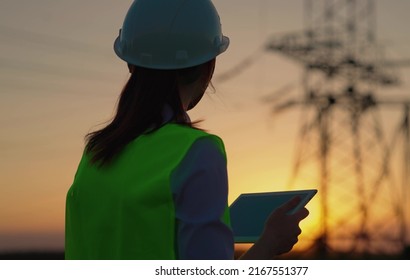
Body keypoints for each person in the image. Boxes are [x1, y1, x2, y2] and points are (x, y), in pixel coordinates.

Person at [65, 0, 309, 260]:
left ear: (130, 63)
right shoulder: (196, 151)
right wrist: (270, 243)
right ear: (207, 67)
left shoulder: (95, 153)